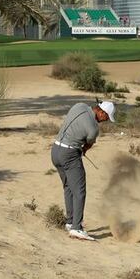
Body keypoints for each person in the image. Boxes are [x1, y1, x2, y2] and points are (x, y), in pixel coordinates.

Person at [51, 101, 116, 241]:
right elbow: (88, 143)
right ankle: (77, 228)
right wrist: (83, 150)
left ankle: (70, 222)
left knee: (68, 187)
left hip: (55, 150)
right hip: (69, 155)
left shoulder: (79, 105)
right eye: (106, 117)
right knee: (80, 191)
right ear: (101, 112)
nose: (105, 121)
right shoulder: (94, 128)